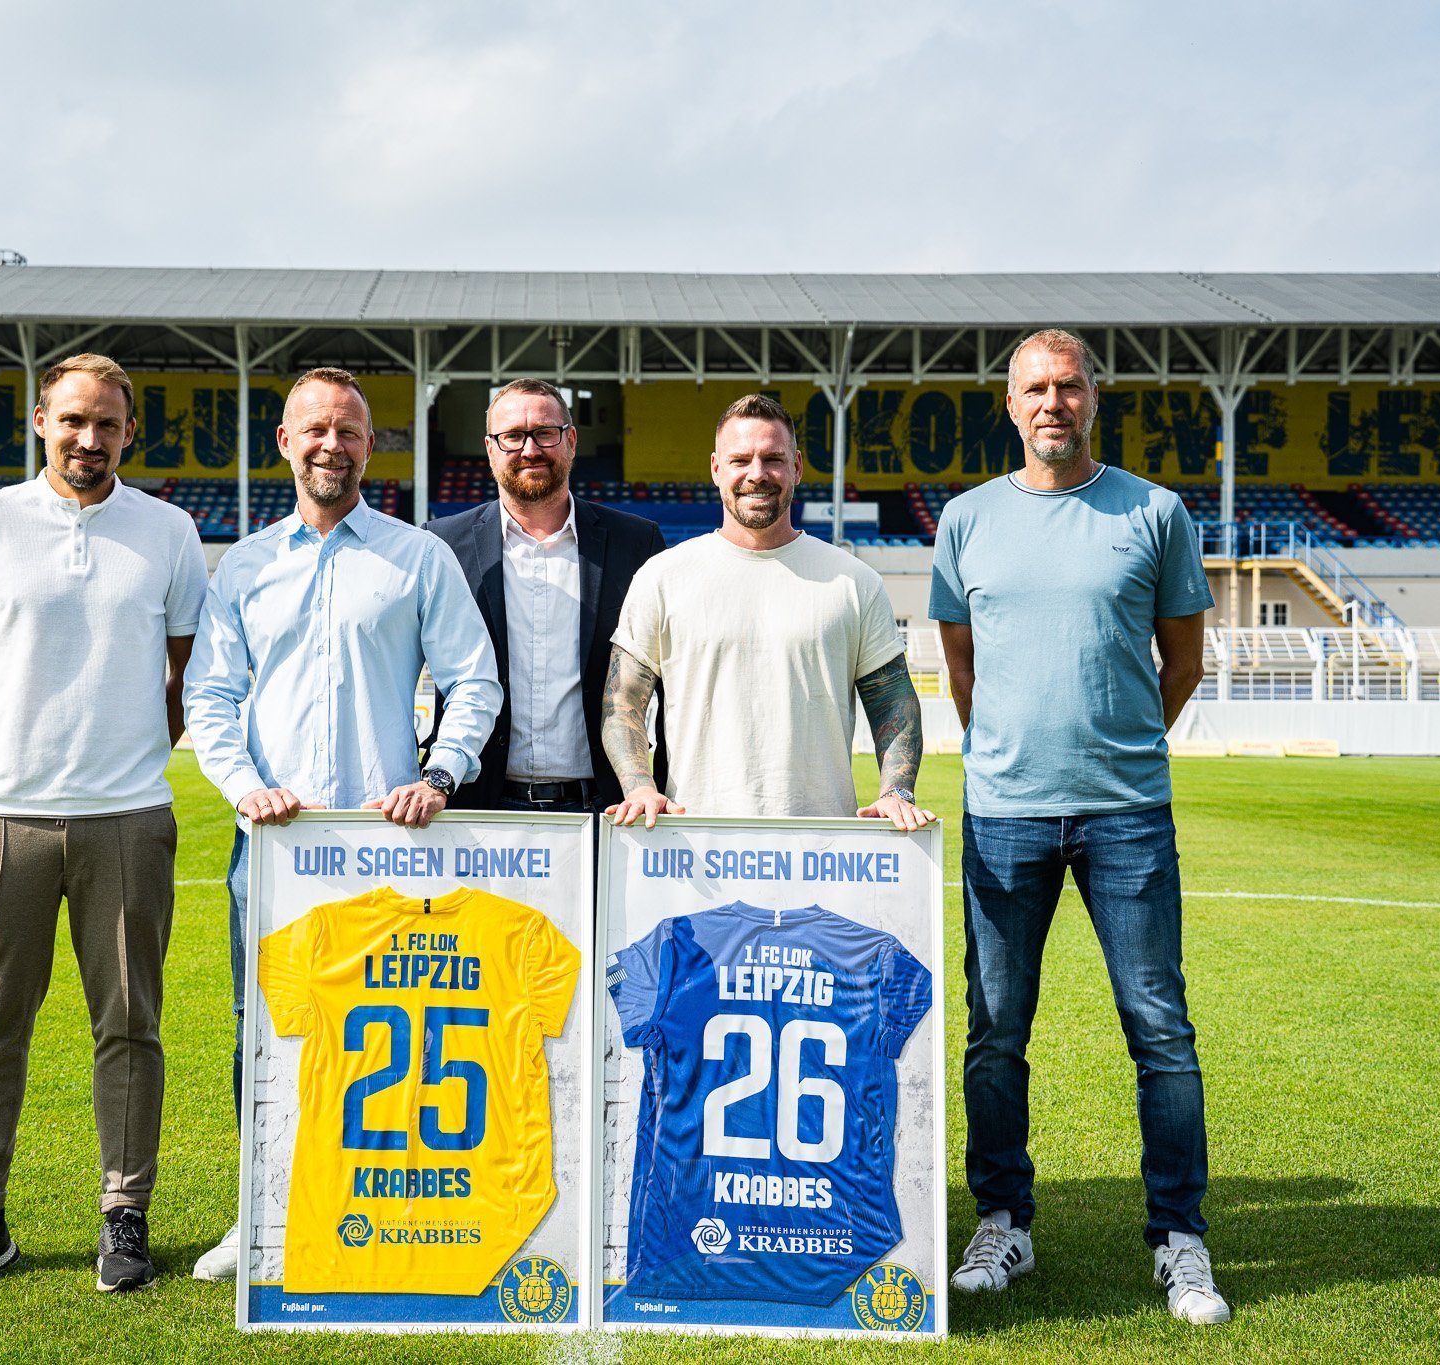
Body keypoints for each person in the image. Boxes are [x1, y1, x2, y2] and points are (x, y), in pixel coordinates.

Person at [931, 328, 1227, 1325]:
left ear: (1094, 397)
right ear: (1010, 404)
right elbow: (962, 664)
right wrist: (1011, 753)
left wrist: (1119, 747)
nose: (1052, 402)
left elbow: (1183, 660)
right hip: (1003, 813)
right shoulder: (967, 519)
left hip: (1127, 813)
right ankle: (1002, 1221)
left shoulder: (1155, 512)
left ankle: (1180, 1238)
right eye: (1035, 388)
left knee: (1159, 1026)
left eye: (1068, 385)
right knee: (995, 1030)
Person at [182, 366, 501, 1281]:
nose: (333, 445)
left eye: (350, 431)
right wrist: (245, 786)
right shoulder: (244, 565)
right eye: (316, 429)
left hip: (389, 842)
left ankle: (390, 1212)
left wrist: (439, 773)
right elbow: (210, 694)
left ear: (371, 448)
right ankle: (263, 1210)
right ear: (285, 442)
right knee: (264, 1028)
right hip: (273, 845)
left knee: (393, 1032)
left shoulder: (417, 557)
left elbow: (473, 680)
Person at [0, 354, 207, 1298]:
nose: (90, 437)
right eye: (73, 419)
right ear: (42, 419)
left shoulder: (168, 531)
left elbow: (188, 672)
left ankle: (125, 1213)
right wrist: (8, 753)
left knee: (129, 1023)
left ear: (129, 434)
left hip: (128, 816)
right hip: (4, 816)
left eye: (108, 423)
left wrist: (133, 755)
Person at [602, 393, 929, 828]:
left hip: (822, 841)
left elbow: (894, 702)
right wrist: (639, 786)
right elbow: (623, 699)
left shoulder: (854, 581)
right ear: (716, 469)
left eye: (773, 459)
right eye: (740, 460)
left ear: (797, 467)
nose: (757, 474)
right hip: (695, 837)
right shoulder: (663, 577)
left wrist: (896, 791)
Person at [426, 378, 668, 813]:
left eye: (544, 433)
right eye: (512, 436)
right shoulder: (442, 545)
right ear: (490, 448)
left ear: (571, 440)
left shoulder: (637, 543)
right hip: (477, 806)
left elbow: (666, 680)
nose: (530, 449)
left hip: (606, 809)